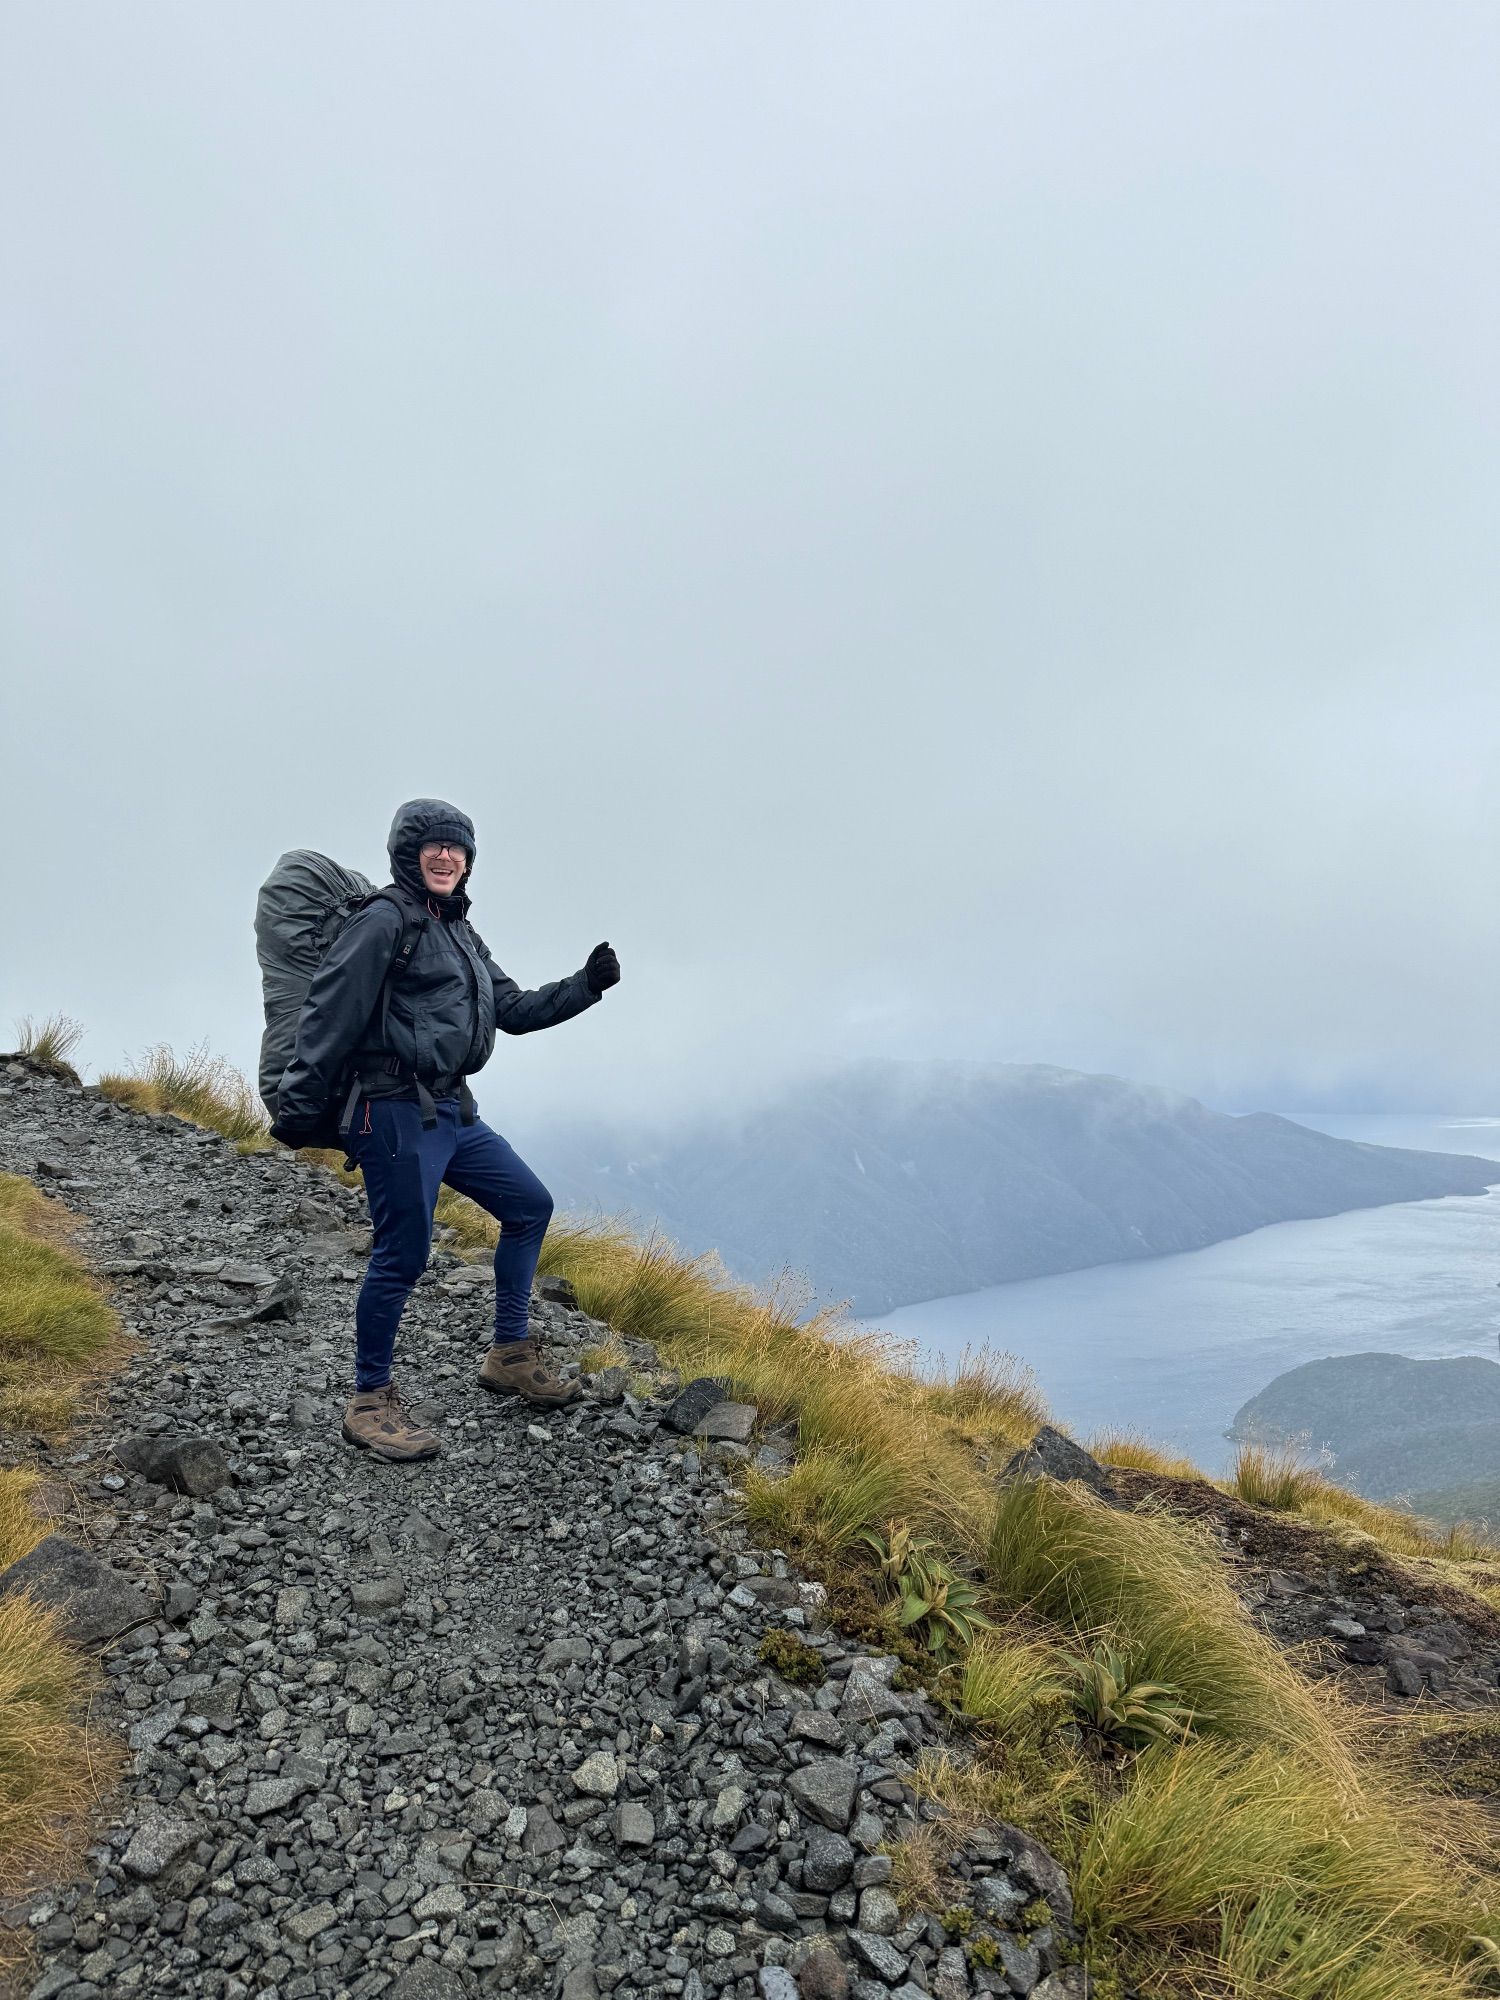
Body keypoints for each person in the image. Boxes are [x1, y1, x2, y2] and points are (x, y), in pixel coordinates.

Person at [268, 798, 620, 1462]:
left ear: (468, 861)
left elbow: (511, 1009)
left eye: (456, 849)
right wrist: (298, 1107)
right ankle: (369, 1399)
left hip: (452, 1110)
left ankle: (509, 1354)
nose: (445, 857)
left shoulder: (459, 930)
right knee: (404, 1252)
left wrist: (585, 986)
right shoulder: (382, 922)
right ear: (407, 855)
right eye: (431, 847)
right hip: (391, 1108)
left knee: (528, 1206)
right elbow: (329, 1013)